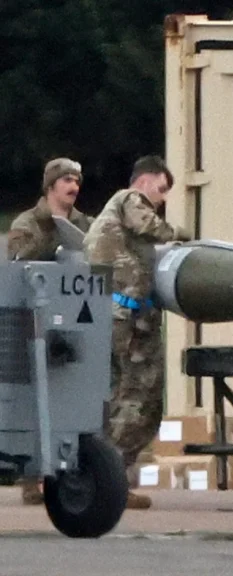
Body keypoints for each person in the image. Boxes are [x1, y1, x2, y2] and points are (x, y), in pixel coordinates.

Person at [84, 155, 192, 510]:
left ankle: (104, 477)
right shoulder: (131, 200)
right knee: (138, 399)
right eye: (161, 189)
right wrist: (182, 237)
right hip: (126, 320)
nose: (161, 199)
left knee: (121, 398)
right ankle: (110, 476)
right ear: (145, 181)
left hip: (120, 316)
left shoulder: (113, 215)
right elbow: (151, 227)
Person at [7, 157, 93, 505]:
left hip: (74, 318)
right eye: (67, 180)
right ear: (51, 186)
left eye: (77, 179)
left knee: (72, 392)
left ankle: (73, 470)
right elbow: (16, 258)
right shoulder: (28, 222)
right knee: (32, 393)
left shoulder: (84, 223)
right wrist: (52, 238)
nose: (73, 185)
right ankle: (31, 477)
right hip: (31, 319)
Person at [7, 158, 93, 262]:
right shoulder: (25, 223)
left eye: (77, 182)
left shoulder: (88, 225)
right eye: (68, 180)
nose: (75, 188)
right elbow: (16, 263)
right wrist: (47, 232)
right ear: (50, 186)